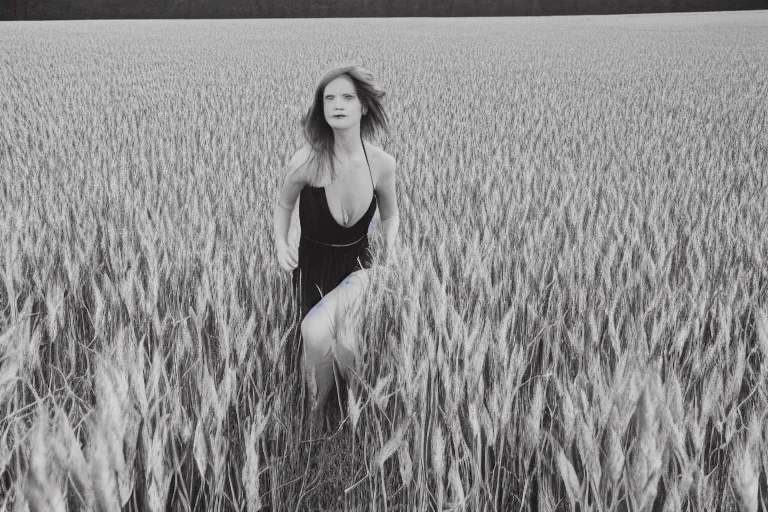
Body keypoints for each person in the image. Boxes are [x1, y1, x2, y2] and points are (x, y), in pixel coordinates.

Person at [272, 65, 400, 424]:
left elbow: (391, 215)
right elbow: (284, 204)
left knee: (316, 331)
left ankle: (319, 418)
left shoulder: (382, 164)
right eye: (329, 98)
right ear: (321, 108)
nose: (337, 104)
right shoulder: (306, 162)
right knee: (339, 347)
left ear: (363, 107)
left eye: (347, 97)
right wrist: (281, 243)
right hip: (311, 270)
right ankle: (328, 413)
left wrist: (391, 249)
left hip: (361, 267)